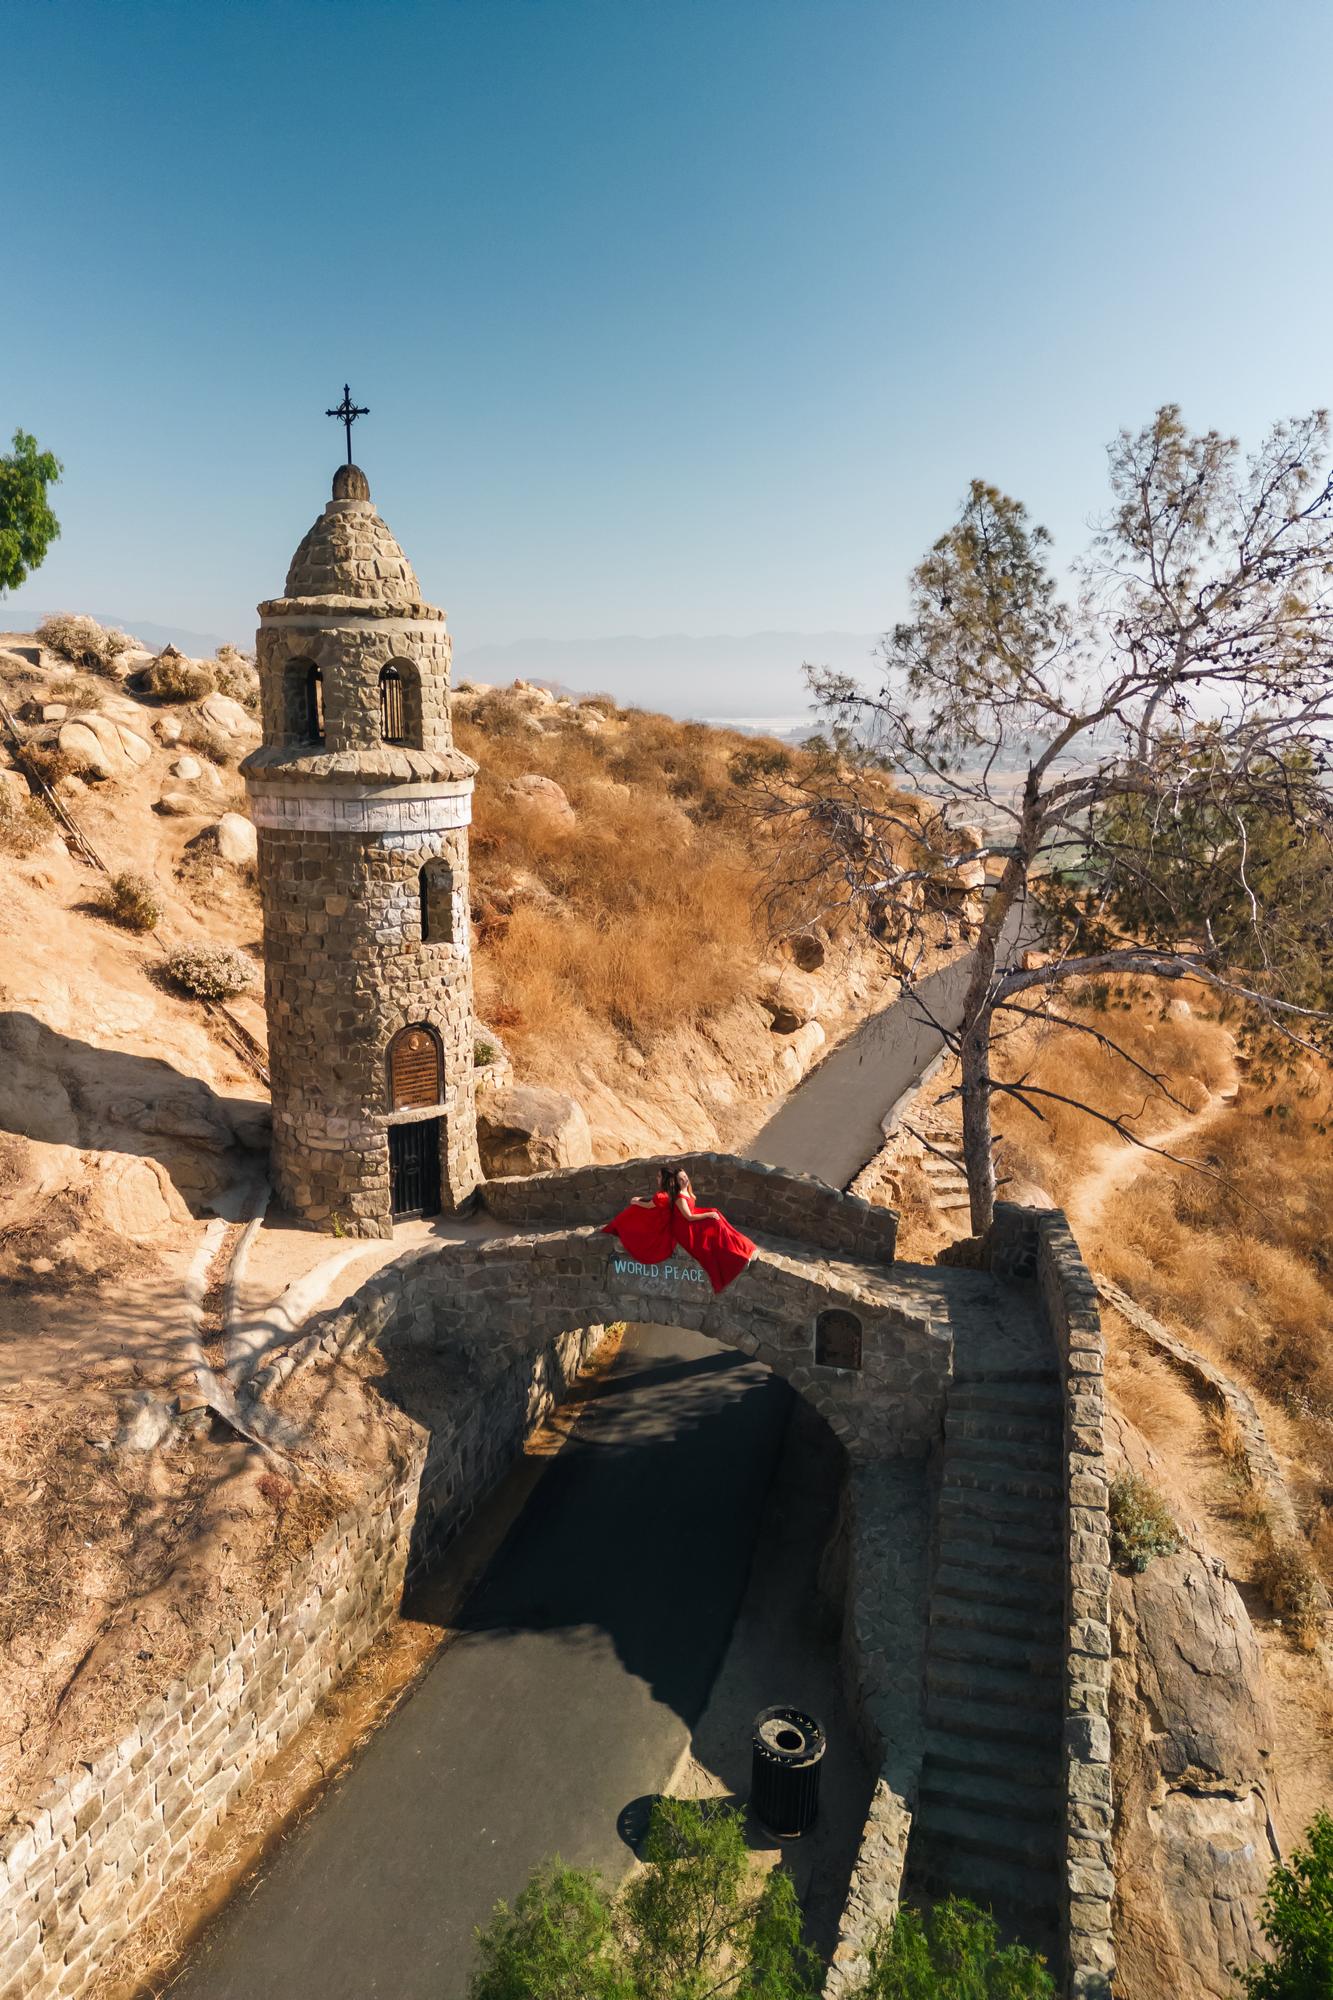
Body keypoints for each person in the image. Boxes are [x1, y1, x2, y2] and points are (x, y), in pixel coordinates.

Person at [603, 1165, 756, 1294]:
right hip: (684, 1227)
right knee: (714, 1223)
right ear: (675, 1182)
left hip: (688, 1219)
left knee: (717, 1216)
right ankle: (736, 1254)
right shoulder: (678, 1197)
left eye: (685, 1177)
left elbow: (658, 1202)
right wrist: (708, 1215)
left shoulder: (686, 1190)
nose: (685, 1180)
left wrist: (710, 1213)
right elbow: (688, 1217)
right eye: (681, 1179)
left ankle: (740, 1246)